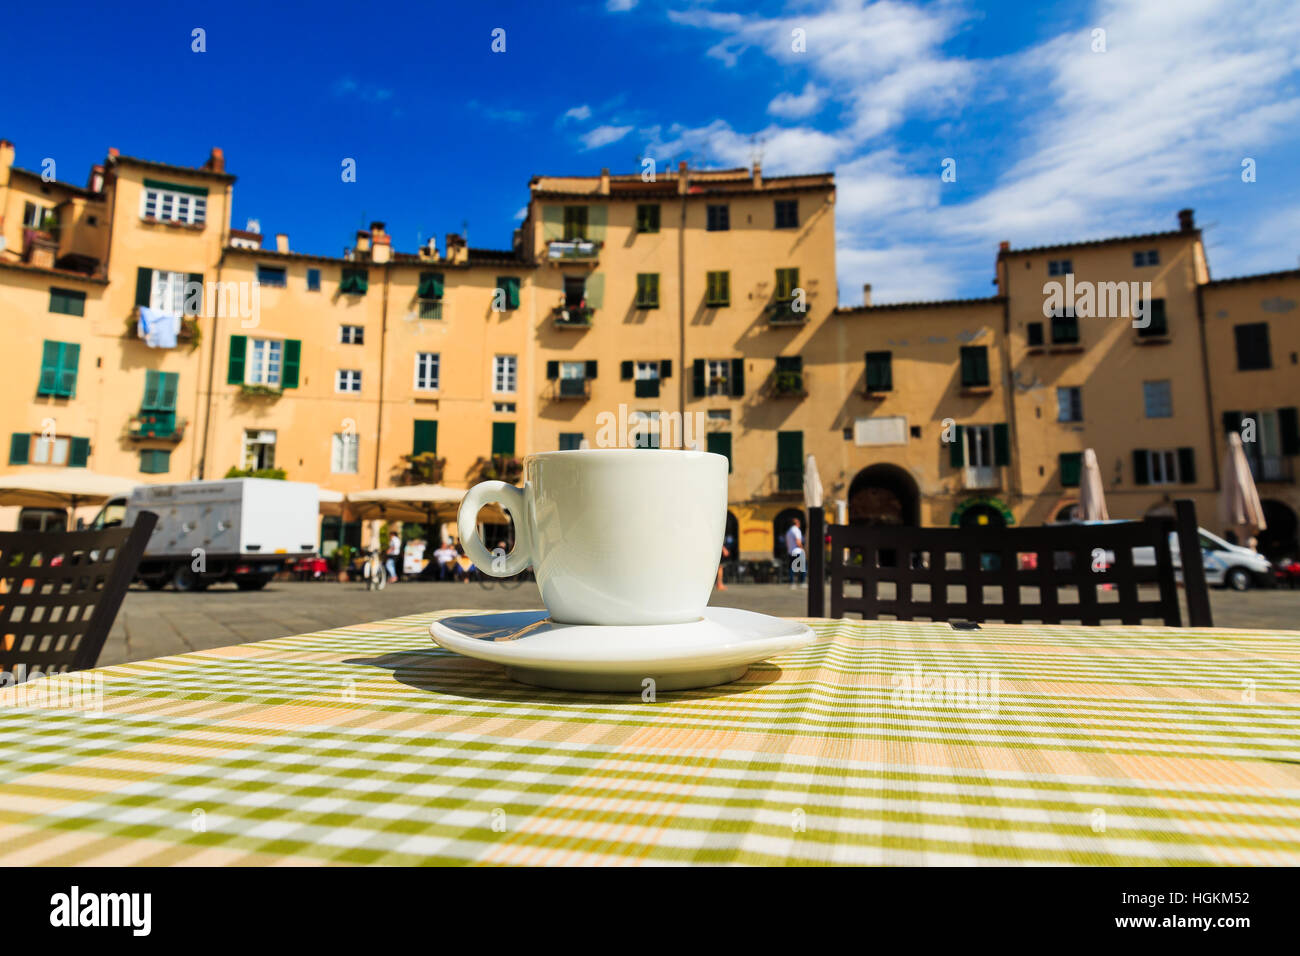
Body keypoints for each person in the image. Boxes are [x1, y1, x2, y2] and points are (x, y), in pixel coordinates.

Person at [785, 517, 805, 587]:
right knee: (802, 567)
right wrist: (802, 548)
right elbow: (798, 541)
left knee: (791, 567)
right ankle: (802, 582)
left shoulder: (789, 531)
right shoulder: (796, 530)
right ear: (797, 523)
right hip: (798, 551)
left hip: (791, 551)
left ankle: (792, 582)